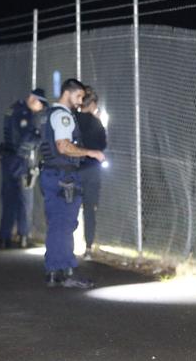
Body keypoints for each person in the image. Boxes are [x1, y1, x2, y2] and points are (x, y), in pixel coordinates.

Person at [39, 78, 105, 288]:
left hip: (52, 174)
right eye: (78, 97)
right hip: (63, 176)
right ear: (68, 93)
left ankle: (54, 271)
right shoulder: (62, 116)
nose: (79, 102)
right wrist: (90, 152)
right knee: (64, 224)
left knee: (58, 224)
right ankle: (65, 271)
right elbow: (64, 146)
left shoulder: (49, 113)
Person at [0, 88, 48, 248]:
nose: (41, 109)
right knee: (25, 198)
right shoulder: (24, 113)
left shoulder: (14, 109)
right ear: (34, 100)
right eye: (41, 104)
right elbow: (25, 139)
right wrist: (39, 137)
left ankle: (5, 236)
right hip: (19, 160)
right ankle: (23, 235)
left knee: (9, 198)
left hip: (8, 158)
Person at [77, 86, 107, 261]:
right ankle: (88, 247)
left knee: (71, 206)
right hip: (92, 170)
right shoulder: (96, 122)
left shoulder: (73, 119)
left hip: (74, 169)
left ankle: (66, 243)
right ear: (93, 103)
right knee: (90, 209)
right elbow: (103, 144)